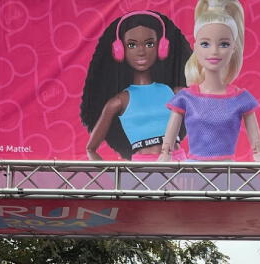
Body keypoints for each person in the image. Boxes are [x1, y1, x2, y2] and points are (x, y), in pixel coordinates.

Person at [159, 0, 260, 162]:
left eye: (223, 44)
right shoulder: (186, 98)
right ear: (196, 47)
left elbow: (256, 146)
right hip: (194, 172)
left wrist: (259, 154)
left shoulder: (241, 99)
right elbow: (170, 139)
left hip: (228, 172)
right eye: (205, 44)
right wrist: (165, 153)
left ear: (233, 48)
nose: (214, 51)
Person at [81, 10, 190, 160]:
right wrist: (112, 180)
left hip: (177, 163)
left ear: (161, 48)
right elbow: (91, 149)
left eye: (149, 43)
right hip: (141, 170)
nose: (141, 52)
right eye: (132, 45)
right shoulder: (118, 102)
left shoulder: (177, 93)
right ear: (119, 50)